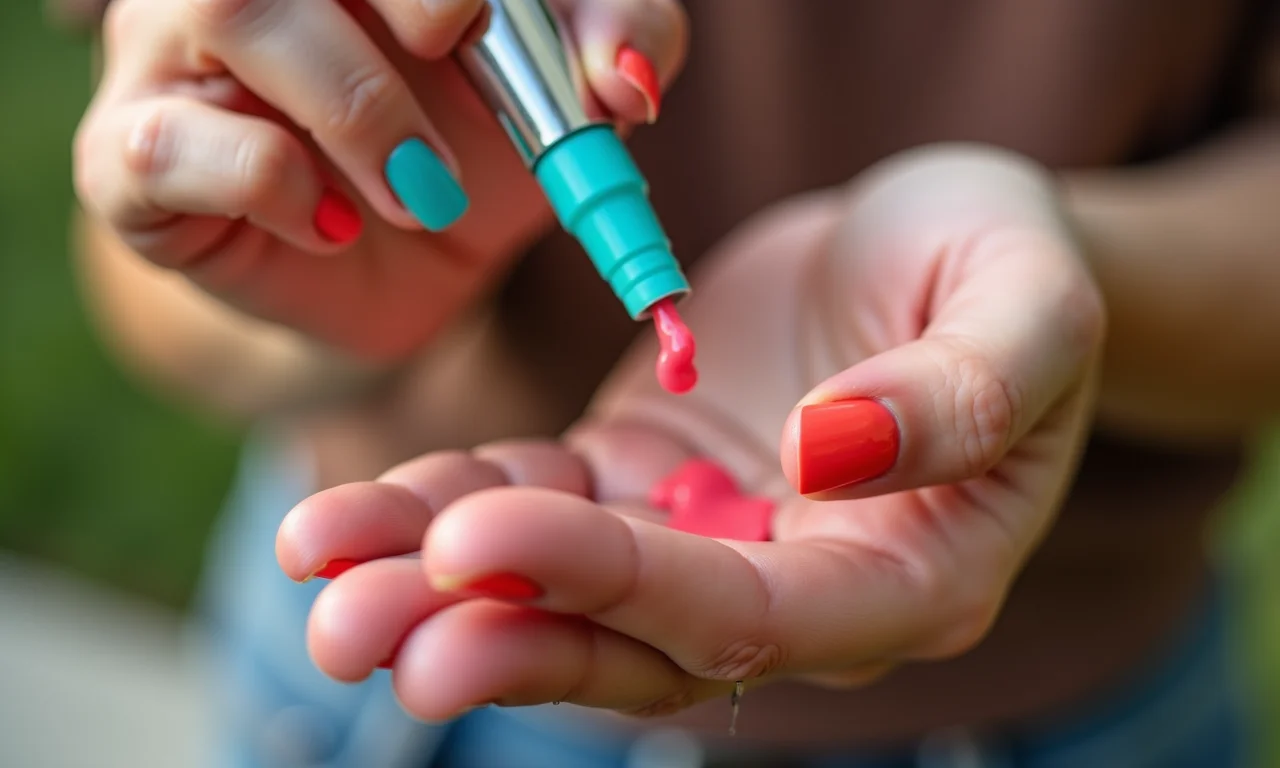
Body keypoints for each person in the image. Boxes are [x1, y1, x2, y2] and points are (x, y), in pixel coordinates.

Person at [66, 0, 1280, 765]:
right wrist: (299, 264)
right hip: (412, 666)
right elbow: (155, 318)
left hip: (1080, 709)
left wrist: (1063, 265)